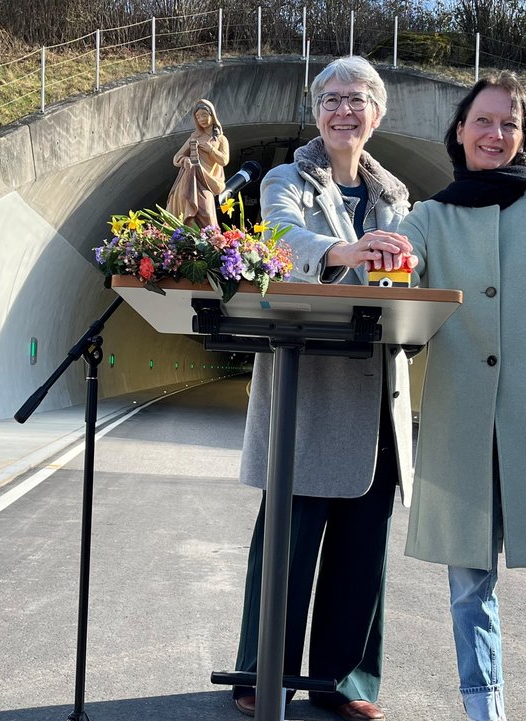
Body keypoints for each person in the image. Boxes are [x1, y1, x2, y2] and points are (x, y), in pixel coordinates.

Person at [396, 73, 526, 721]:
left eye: (508, 124)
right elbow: (404, 280)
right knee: (468, 590)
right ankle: (483, 711)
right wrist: (392, 258)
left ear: (524, 138)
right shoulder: (430, 217)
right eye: (483, 121)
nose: (495, 134)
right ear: (459, 131)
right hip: (460, 426)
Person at [231, 56, 413, 721]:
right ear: (315, 112)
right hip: (308, 384)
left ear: (378, 113)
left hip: (375, 383)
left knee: (364, 543)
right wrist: (346, 253)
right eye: (332, 99)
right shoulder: (287, 177)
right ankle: (261, 672)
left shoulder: (395, 196)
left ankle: (347, 680)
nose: (344, 110)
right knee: (290, 536)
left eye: (357, 99)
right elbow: (278, 238)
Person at [168, 98, 230, 228]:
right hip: (189, 180)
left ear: (212, 116)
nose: (201, 119)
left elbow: (224, 160)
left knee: (207, 214)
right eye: (198, 116)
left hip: (206, 181)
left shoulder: (220, 139)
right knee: (187, 215)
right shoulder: (194, 137)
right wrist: (185, 160)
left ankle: (211, 242)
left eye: (204, 115)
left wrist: (211, 150)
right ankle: (183, 244)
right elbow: (176, 158)